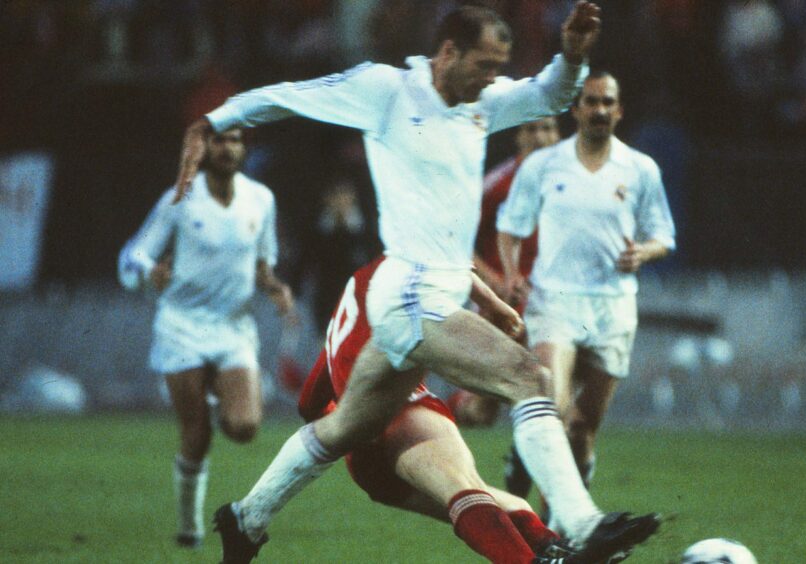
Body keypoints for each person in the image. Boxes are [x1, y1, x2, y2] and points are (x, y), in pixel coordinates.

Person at [175, 4, 660, 562]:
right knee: (529, 376)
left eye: (498, 66)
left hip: (436, 295)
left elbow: (549, 94)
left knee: (344, 428)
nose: (490, 78)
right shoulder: (386, 91)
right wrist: (213, 121)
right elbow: (289, 94)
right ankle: (580, 522)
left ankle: (246, 518)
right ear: (448, 52)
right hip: (405, 293)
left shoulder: (482, 102)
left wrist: (572, 56)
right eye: (482, 65)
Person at [286, 255, 582, 563]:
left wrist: (344, 426)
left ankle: (553, 546)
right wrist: (493, 303)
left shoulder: (353, 297)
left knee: (481, 498)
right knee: (464, 488)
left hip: (363, 463)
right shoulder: (406, 276)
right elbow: (453, 273)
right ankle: (557, 549)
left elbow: (308, 403)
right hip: (403, 412)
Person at [496, 71, 676, 516]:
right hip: (554, 301)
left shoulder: (640, 169)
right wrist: (512, 271)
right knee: (552, 413)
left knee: (582, 429)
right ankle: (556, 532)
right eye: (590, 101)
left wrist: (643, 253)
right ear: (575, 110)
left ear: (619, 110)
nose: (598, 110)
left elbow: (664, 236)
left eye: (606, 102)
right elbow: (510, 226)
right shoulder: (543, 165)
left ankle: (561, 497)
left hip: (613, 306)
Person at [118, 128, 296, 547]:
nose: (227, 148)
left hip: (233, 327)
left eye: (235, 140)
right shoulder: (180, 198)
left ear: (243, 148)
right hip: (182, 324)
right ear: (204, 149)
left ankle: (216, 391)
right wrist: (149, 272)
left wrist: (274, 287)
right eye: (219, 141)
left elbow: (262, 262)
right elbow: (134, 253)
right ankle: (189, 526)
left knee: (245, 426)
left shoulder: (261, 199)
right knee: (196, 432)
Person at [450, 116, 562, 429]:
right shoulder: (496, 184)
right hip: (503, 302)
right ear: (518, 136)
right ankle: (454, 414)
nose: (540, 137)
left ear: (558, 135)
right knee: (483, 408)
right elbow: (458, 239)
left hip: (552, 300)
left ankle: (528, 458)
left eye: (547, 128)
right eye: (531, 129)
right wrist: (493, 281)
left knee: (550, 389)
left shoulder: (570, 184)